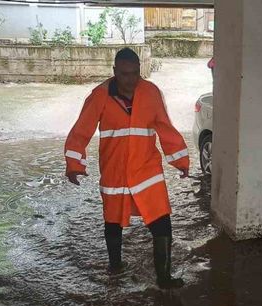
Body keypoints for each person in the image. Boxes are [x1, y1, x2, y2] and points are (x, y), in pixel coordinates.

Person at [64, 48, 189, 289]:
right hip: (115, 171)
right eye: (124, 74)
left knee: (162, 221)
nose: (130, 80)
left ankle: (164, 278)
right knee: (113, 221)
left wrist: (180, 161)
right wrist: (73, 164)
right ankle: (115, 266)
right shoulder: (99, 96)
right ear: (114, 72)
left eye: (135, 74)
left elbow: (165, 127)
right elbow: (81, 131)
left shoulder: (151, 92)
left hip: (147, 172)